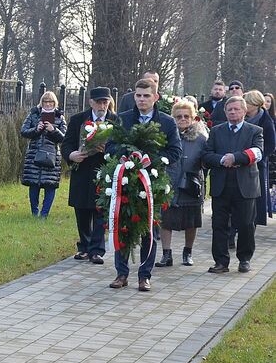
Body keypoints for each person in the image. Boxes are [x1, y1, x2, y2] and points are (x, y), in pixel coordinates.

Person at [108, 78, 182, 292]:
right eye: (138, 95)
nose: (141, 99)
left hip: (152, 182)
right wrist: (126, 157)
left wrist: (151, 160)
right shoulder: (122, 118)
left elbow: (175, 151)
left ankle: (144, 276)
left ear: (155, 97)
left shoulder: (167, 122)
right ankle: (121, 273)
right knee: (122, 226)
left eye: (146, 95)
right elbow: (110, 146)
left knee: (149, 230)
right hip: (126, 179)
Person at [203, 96, 264, 273]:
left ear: (244, 111)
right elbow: (206, 154)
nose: (233, 112)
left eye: (236, 109)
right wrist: (223, 160)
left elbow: (258, 152)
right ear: (225, 112)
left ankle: (244, 259)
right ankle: (221, 262)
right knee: (219, 225)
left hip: (245, 186)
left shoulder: (255, 131)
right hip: (221, 186)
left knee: (246, 224)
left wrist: (235, 158)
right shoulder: (216, 131)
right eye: (229, 109)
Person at [61, 87, 118, 264]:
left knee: (101, 210)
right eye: (99, 102)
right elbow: (66, 144)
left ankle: (97, 250)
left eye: (105, 102)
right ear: (91, 102)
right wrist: (72, 155)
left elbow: (121, 146)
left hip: (104, 171)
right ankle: (84, 247)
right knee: (82, 210)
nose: (102, 106)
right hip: (82, 171)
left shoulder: (116, 120)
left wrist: (107, 150)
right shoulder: (78, 119)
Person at [155, 100, 208, 267]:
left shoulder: (201, 139)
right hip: (169, 183)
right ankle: (166, 254)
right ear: (173, 118)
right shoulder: (166, 136)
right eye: (179, 116)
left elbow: (207, 160)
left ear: (193, 118)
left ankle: (188, 252)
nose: (183, 119)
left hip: (191, 184)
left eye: (186, 116)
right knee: (166, 220)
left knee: (192, 221)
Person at [20, 91, 67, 218]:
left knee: (50, 184)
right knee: (34, 184)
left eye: (50, 102)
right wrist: (36, 129)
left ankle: (44, 214)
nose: (48, 104)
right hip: (34, 153)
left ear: (54, 103)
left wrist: (53, 130)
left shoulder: (60, 117)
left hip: (52, 155)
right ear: (42, 102)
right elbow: (23, 131)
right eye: (45, 101)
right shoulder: (34, 114)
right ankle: (34, 212)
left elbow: (64, 138)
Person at [243, 90, 275, 226]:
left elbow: (271, 144)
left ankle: (253, 222)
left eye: (247, 102)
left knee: (256, 195)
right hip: (240, 161)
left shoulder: (266, 120)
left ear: (255, 104)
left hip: (257, 164)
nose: (244, 105)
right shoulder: (241, 117)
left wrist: (258, 156)